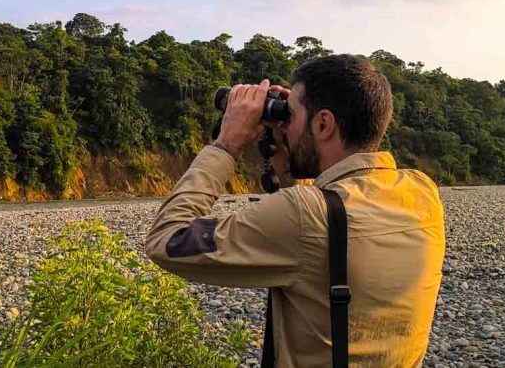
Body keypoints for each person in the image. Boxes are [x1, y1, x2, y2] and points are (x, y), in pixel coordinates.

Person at [145, 54, 446, 367]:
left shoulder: (304, 215)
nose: (284, 126)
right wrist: (289, 158)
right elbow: (322, 240)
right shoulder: (423, 192)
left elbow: (167, 239)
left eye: (291, 116)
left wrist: (227, 144)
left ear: (323, 123)